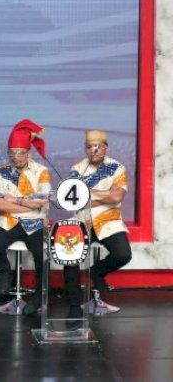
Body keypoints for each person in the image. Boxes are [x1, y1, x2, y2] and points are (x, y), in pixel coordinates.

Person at [64, 129, 132, 316]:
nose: (93, 151)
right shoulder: (77, 169)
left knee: (123, 254)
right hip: (83, 219)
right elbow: (74, 200)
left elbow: (117, 196)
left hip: (108, 219)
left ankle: (96, 271)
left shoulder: (117, 168)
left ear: (105, 148)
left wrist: (90, 195)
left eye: (97, 147)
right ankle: (74, 305)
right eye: (89, 147)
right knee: (69, 255)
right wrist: (105, 195)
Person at [0, 119, 50, 315]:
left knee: (41, 255)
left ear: (29, 153)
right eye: (11, 153)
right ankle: (5, 269)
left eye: (20, 153)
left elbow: (41, 201)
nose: (15, 157)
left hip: (34, 222)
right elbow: (0, 205)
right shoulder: (1, 172)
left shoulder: (41, 172)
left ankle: (38, 296)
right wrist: (29, 203)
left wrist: (14, 200)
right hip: (9, 220)